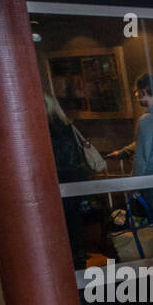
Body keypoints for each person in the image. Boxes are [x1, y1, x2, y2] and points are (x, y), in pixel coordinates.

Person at [108, 73, 153, 220]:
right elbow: (146, 143)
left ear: (143, 92)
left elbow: (142, 156)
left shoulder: (145, 121)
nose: (136, 98)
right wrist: (123, 152)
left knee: (148, 221)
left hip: (150, 179)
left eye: (137, 94)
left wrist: (134, 184)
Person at [44, 94, 90, 270]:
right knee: (73, 221)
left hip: (59, 182)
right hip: (74, 181)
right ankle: (78, 258)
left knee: (61, 224)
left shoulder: (46, 130)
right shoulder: (66, 127)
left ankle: (68, 262)